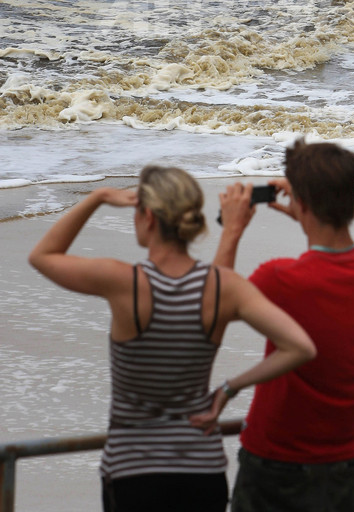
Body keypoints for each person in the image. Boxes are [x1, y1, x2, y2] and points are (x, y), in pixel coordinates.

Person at [29, 164, 316, 512]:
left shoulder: (124, 282)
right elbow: (299, 346)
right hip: (202, 472)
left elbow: (42, 256)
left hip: (134, 471)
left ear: (148, 217)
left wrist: (98, 197)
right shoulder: (223, 287)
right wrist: (229, 389)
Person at [193, 139, 354, 512]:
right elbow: (341, 257)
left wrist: (232, 231)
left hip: (275, 459)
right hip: (343, 462)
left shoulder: (281, 279)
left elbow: (213, 309)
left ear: (300, 204)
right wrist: (307, 214)